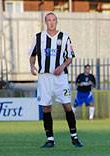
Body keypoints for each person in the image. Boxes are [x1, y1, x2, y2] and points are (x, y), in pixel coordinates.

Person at [29, 12, 83, 148]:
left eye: (53, 20)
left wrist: (62, 66)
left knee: (67, 106)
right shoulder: (38, 37)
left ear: (56, 21)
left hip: (60, 78)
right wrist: (31, 66)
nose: (51, 22)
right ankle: (50, 139)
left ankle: (74, 137)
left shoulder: (64, 38)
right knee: (46, 108)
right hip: (44, 77)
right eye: (48, 20)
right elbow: (32, 55)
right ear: (45, 22)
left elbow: (70, 57)